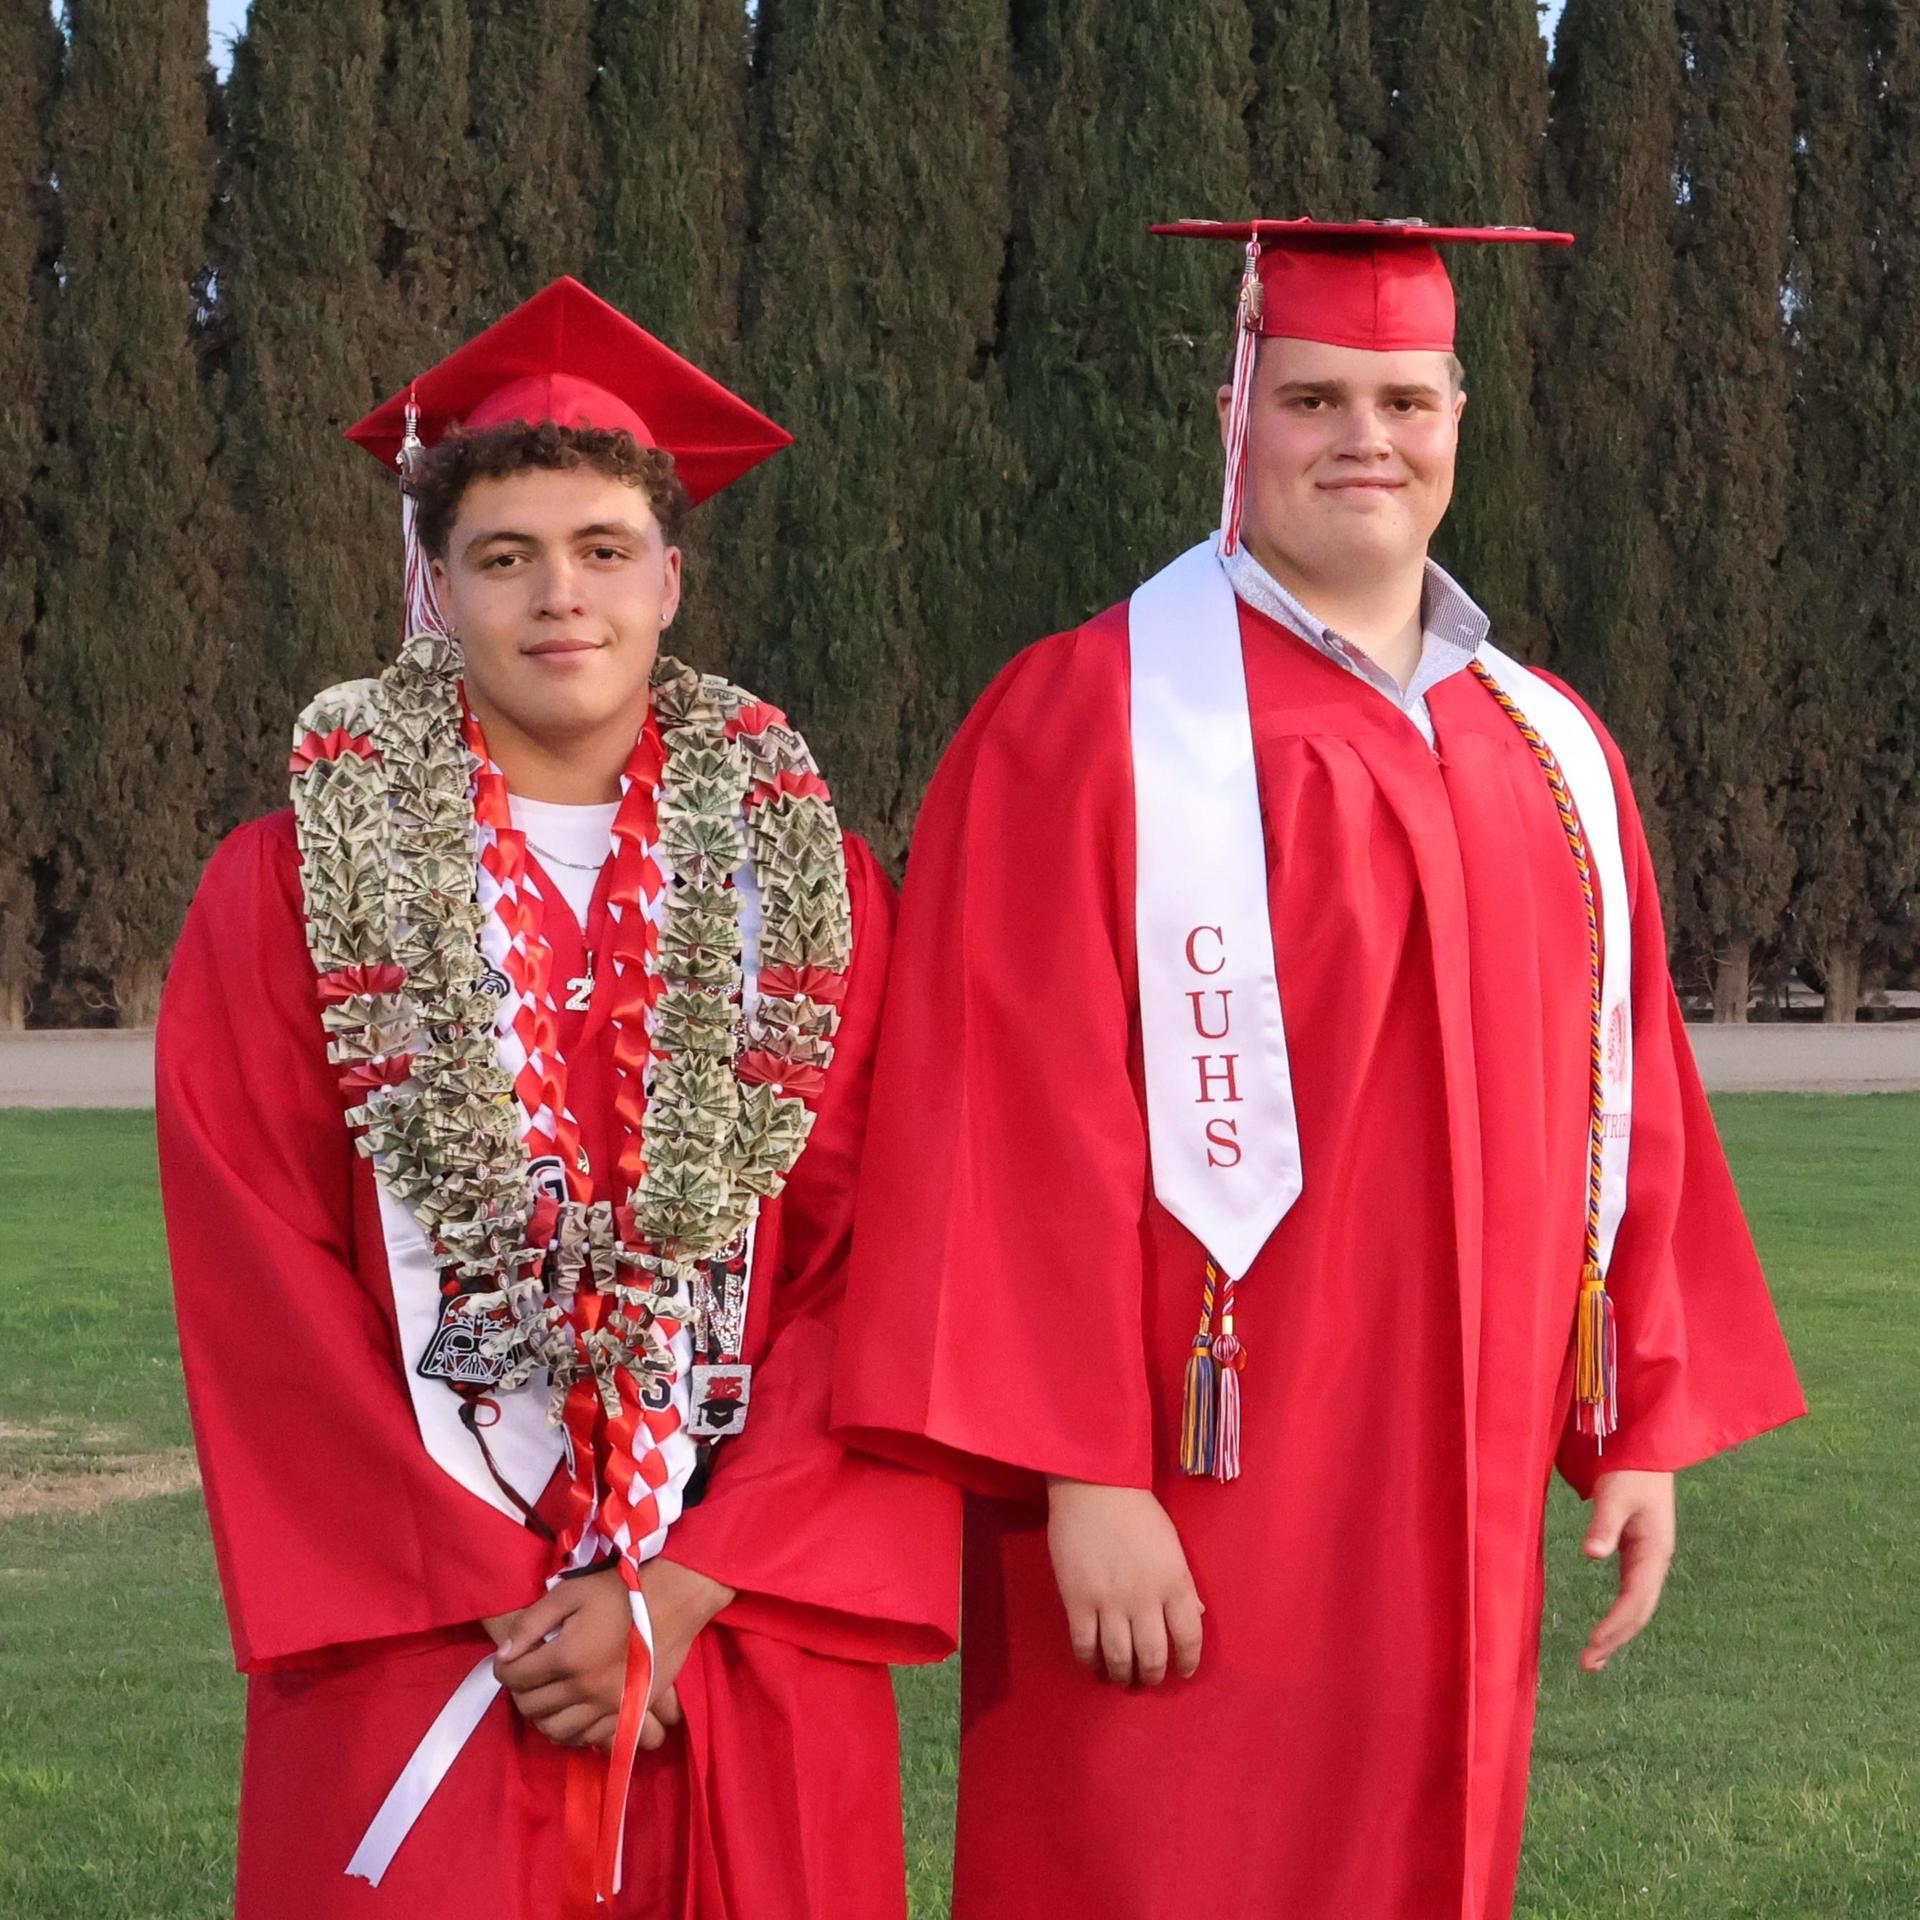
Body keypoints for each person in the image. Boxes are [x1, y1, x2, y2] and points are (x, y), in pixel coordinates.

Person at [834, 219, 1806, 1920]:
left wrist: (1631, 1426)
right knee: (1154, 1863)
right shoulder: (1088, 719)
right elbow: (1005, 1109)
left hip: (1474, 1469)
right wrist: (1086, 1475)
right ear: (1236, 422)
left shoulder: (1548, 748)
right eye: (1314, 397)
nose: (1366, 436)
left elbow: (1627, 1103)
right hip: (1197, 1482)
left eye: (1404, 398)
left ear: (1456, 423)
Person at [157, 275, 957, 1920]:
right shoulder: (287, 892)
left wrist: (689, 1589)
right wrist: (528, 1608)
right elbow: (264, 1282)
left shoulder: (813, 895)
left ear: (672, 577)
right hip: (440, 1643)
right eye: (504, 557)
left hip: (746, 1623)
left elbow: (877, 1264)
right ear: (434, 590)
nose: (560, 598)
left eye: (603, 550)